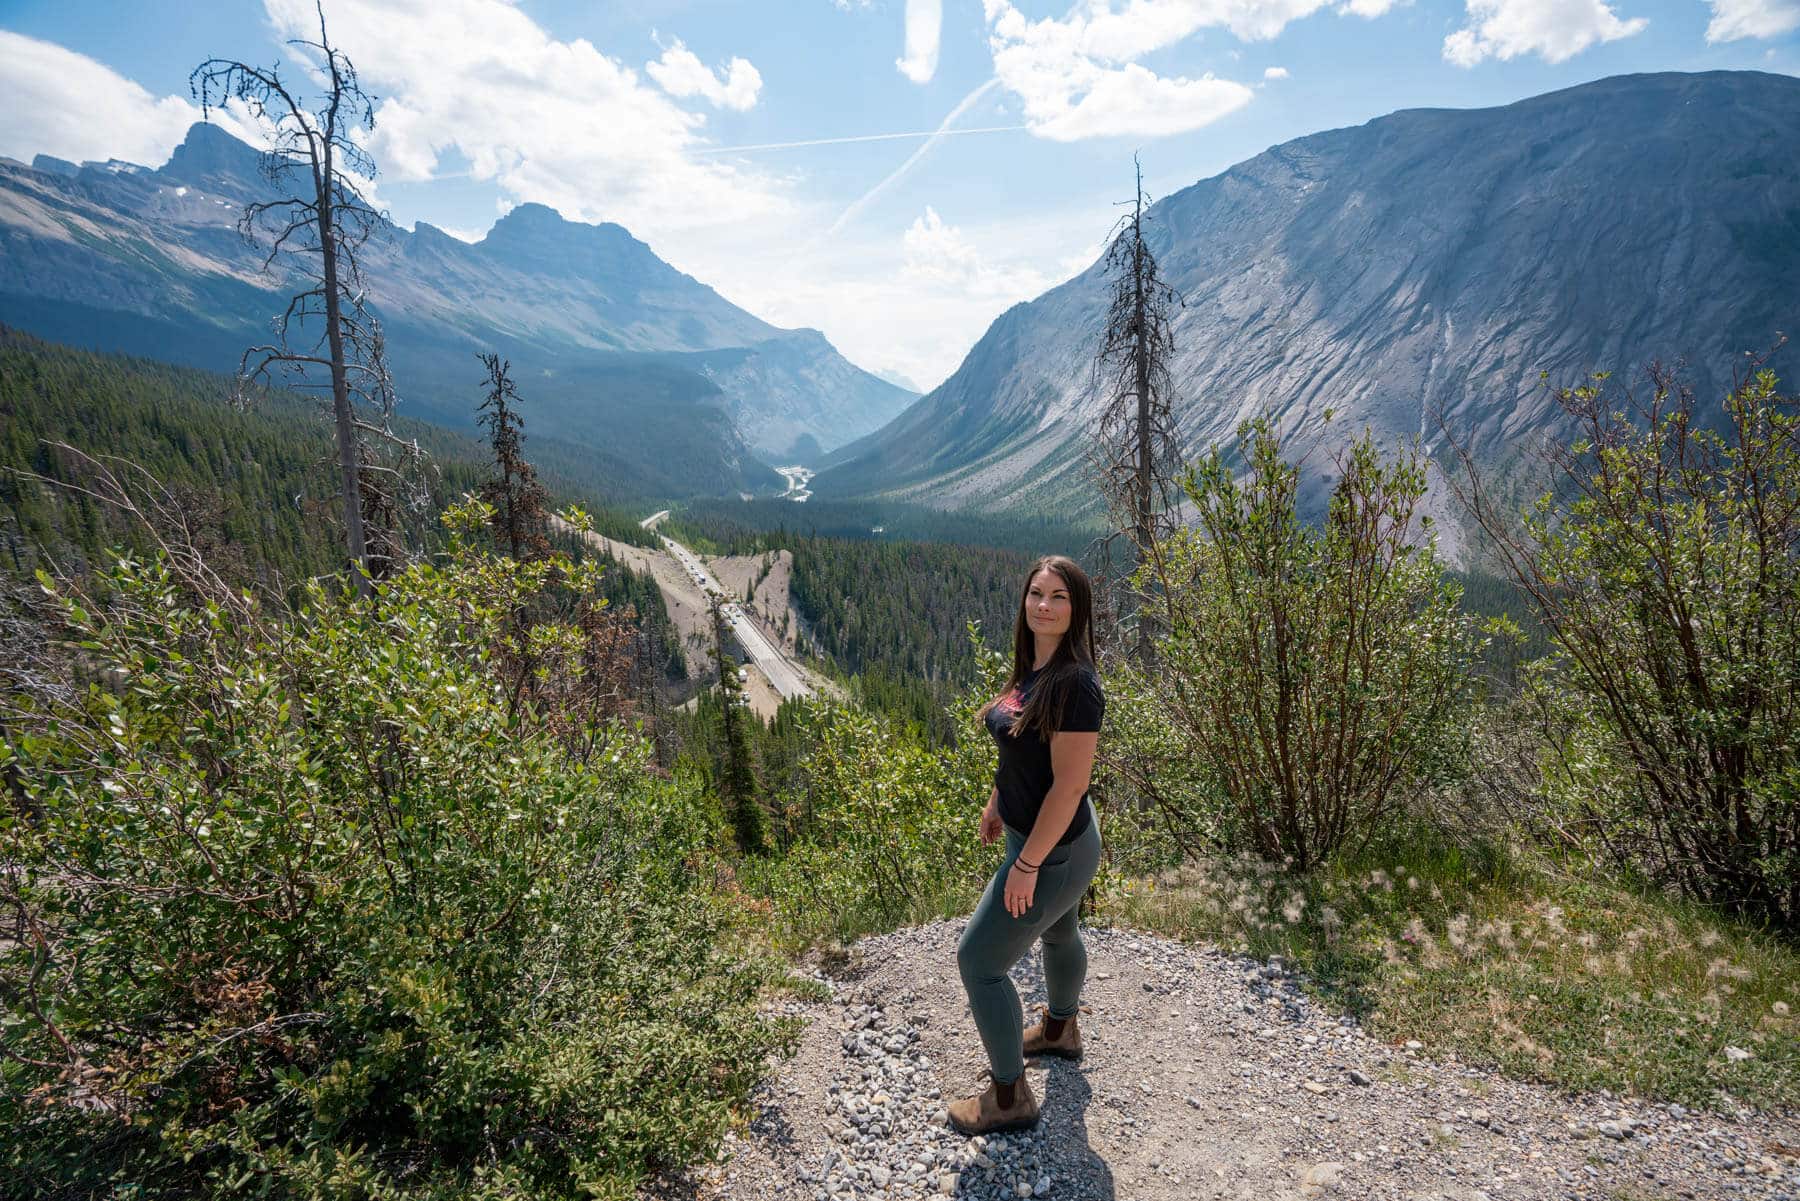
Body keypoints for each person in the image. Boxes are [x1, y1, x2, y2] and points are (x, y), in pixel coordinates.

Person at [947, 555, 1105, 1136]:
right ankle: (1061, 1031)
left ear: (1076, 608)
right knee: (1060, 931)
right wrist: (997, 802)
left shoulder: (1076, 686)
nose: (1044, 604)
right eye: (1035, 593)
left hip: (1054, 850)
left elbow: (1069, 786)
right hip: (1045, 840)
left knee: (979, 962)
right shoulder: (1035, 667)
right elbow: (1019, 750)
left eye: (1059, 596)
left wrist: (1027, 864)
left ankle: (1009, 1098)